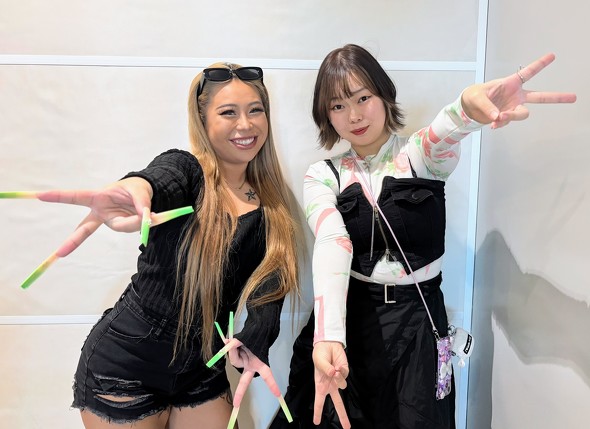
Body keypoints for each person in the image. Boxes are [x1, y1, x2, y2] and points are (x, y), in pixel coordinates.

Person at [269, 44, 576, 429]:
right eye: (338, 106)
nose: (354, 115)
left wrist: (466, 108)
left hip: (419, 319)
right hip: (351, 320)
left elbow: (441, 135)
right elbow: (333, 241)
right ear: (326, 115)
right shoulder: (322, 174)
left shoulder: (417, 156)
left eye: (363, 98)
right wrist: (328, 336)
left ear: (383, 94)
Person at [30, 63, 300, 428]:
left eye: (255, 110)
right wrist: (133, 190)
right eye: (228, 112)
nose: (245, 124)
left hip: (200, 370)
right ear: (202, 121)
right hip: (126, 368)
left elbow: (270, 290)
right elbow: (158, 179)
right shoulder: (187, 171)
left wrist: (253, 343)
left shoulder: (273, 206)